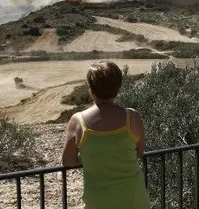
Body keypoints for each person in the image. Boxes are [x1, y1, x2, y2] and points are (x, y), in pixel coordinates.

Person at [61, 61, 150, 209]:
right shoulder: (132, 116)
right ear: (118, 87)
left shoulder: (78, 121)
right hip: (134, 197)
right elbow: (139, 152)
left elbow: (68, 160)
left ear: (91, 90)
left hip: (100, 200)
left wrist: (91, 157)